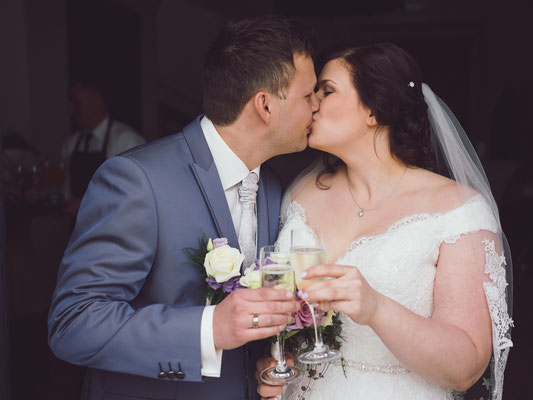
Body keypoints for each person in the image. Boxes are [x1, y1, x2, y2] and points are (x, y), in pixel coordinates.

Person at [48, 16, 318, 400]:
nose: (317, 106)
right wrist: (210, 329)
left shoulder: (275, 187)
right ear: (265, 105)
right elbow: (72, 324)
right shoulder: (137, 179)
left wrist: (270, 358)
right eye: (308, 95)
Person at [257, 43, 513, 400]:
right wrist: (275, 364)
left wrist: (376, 308)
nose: (311, 102)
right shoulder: (299, 195)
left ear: (373, 111)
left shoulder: (457, 210)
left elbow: (465, 368)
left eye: (326, 91)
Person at [61, 81, 145, 214]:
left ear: (97, 101)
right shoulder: (70, 144)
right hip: (79, 231)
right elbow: (66, 191)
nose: (70, 110)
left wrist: (86, 205)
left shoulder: (125, 141)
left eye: (76, 103)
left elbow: (139, 195)